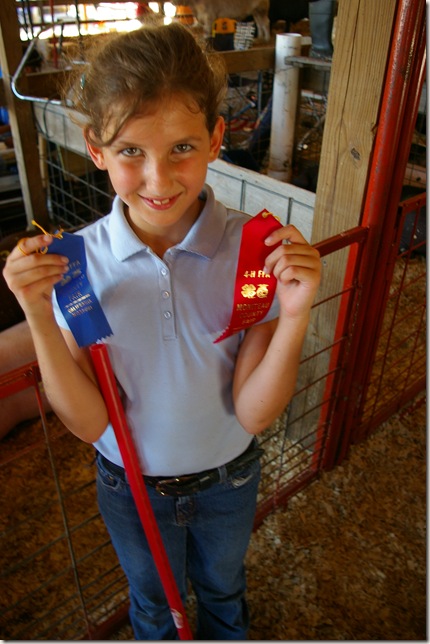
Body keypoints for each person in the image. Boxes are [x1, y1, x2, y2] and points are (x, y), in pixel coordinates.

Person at [3, 23, 321, 640]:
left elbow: (254, 414)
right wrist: (39, 314)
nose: (159, 180)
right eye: (130, 153)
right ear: (95, 148)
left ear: (215, 139)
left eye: (182, 148)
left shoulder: (252, 249)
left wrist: (299, 309)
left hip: (230, 477)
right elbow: (92, 423)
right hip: (130, 489)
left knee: (224, 589)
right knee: (151, 603)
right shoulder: (75, 265)